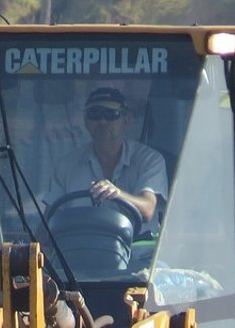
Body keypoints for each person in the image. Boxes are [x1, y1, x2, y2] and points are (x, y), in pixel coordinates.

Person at [44, 87, 168, 229]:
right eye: (94, 114)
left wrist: (117, 194)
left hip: (139, 250)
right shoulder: (66, 166)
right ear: (86, 121)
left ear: (126, 121)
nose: (102, 121)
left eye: (111, 114)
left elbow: (147, 210)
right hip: (80, 249)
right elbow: (48, 225)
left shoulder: (150, 160)